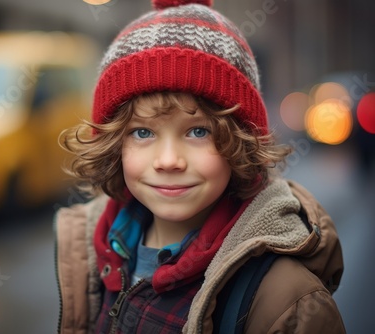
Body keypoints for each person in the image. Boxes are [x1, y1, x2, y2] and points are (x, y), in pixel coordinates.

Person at [54, 0, 346, 333]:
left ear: (240, 141)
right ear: (114, 144)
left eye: (198, 131)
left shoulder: (286, 303)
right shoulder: (93, 254)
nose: (168, 161)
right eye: (142, 132)